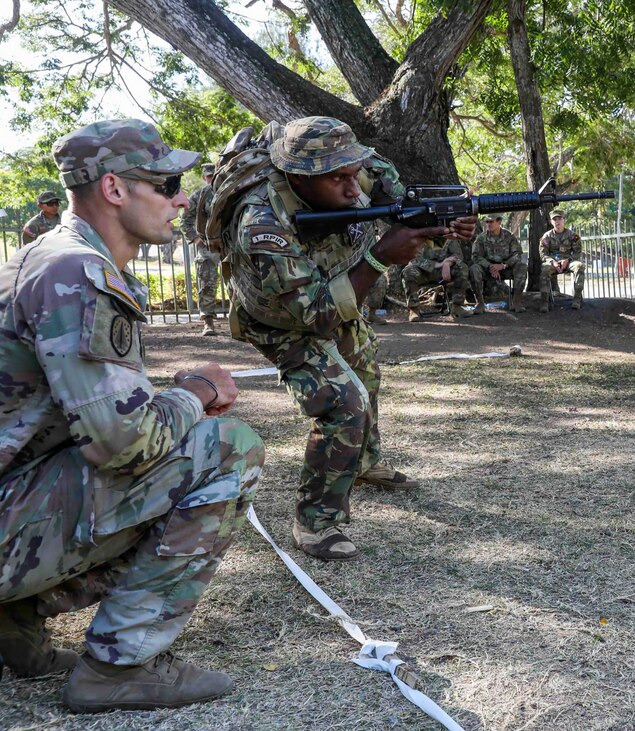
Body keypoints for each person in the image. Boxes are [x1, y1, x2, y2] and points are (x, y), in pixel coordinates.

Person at [0, 119, 264, 711]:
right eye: (167, 184)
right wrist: (195, 393)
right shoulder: (75, 272)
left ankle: (12, 628)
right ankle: (119, 666)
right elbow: (123, 444)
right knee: (227, 448)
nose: (182, 199)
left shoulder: (47, 257)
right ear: (114, 189)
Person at [220, 116, 475, 560]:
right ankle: (315, 521)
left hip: (335, 287)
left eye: (353, 173)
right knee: (343, 401)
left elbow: (407, 212)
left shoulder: (363, 169)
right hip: (282, 318)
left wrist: (443, 225)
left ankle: (362, 462)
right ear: (299, 177)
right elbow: (315, 315)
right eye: (338, 179)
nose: (354, 188)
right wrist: (379, 258)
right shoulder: (261, 221)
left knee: (365, 368)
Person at [180, 163, 222, 335]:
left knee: (238, 281)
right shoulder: (198, 196)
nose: (211, 179)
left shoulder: (227, 191)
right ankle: (208, 322)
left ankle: (240, 322)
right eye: (209, 176)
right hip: (207, 246)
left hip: (229, 243)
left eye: (214, 176)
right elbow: (184, 221)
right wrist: (196, 239)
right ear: (204, 177)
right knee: (207, 283)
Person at [402, 236, 474, 322]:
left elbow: (458, 255)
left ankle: (457, 306)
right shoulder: (419, 235)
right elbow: (414, 259)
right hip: (423, 272)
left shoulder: (448, 236)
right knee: (408, 271)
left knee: (462, 267)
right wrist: (437, 264)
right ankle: (414, 310)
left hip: (443, 272)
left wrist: (448, 263)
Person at [470, 214, 528, 313]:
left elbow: (517, 254)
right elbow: (475, 256)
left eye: (491, 221)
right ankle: (480, 303)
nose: (488, 224)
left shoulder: (509, 236)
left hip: (505, 268)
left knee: (522, 267)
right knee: (474, 269)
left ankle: (516, 301)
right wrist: (490, 266)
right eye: (487, 222)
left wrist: (503, 265)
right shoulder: (481, 238)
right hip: (488, 269)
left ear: (499, 222)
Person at [538, 209, 585, 312]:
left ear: (564, 220)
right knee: (545, 269)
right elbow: (543, 254)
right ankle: (544, 302)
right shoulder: (546, 237)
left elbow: (577, 253)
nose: (557, 222)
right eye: (555, 219)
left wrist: (568, 260)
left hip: (568, 262)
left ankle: (577, 299)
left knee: (579, 266)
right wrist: (553, 262)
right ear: (551, 222)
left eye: (559, 219)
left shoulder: (573, 236)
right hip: (553, 263)